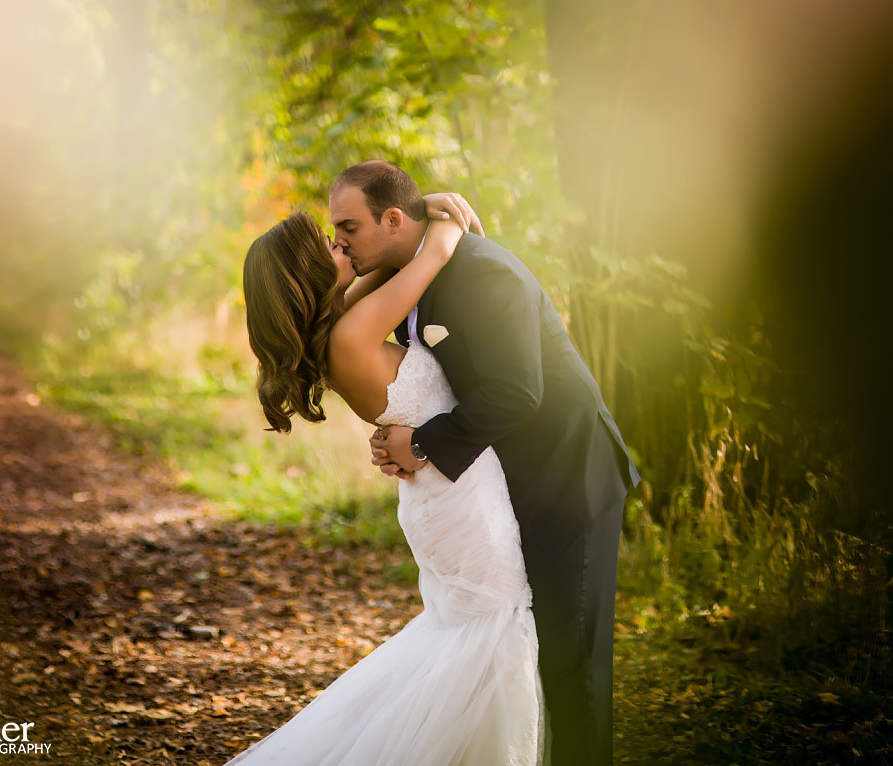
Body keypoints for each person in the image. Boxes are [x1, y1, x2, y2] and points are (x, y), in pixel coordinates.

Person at [331, 161, 641, 766]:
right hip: (510, 482)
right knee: (534, 651)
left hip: (568, 476)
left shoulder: (480, 274)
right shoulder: (417, 270)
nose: (341, 239)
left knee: (572, 661)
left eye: (349, 225)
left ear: (392, 219)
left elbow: (515, 392)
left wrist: (420, 442)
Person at [229, 192, 544, 766]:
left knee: (474, 638)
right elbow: (436, 252)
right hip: (455, 496)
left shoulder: (341, 323)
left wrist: (412, 209)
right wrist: (439, 208)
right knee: (491, 636)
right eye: (327, 244)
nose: (340, 242)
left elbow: (395, 259)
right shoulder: (351, 331)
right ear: (308, 273)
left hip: (440, 488)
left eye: (340, 233)